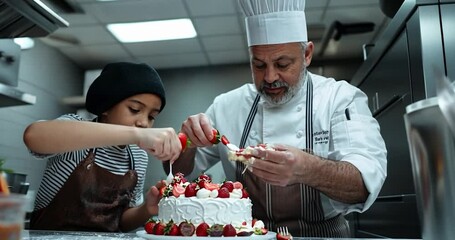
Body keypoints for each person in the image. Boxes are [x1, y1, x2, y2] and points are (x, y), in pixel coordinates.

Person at [171, 0, 387, 237]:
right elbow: (180, 175)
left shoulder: (339, 98)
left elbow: (364, 184)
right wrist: (187, 143)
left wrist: (306, 168)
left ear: (307, 55)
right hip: (248, 235)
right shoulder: (226, 106)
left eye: (282, 64)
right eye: (259, 65)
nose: (270, 77)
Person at [23, 62, 182, 232]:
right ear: (106, 106)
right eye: (135, 109)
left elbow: (121, 222)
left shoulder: (137, 157)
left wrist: (147, 209)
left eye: (151, 116)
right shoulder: (77, 135)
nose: (143, 122)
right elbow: (33, 136)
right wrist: (137, 134)